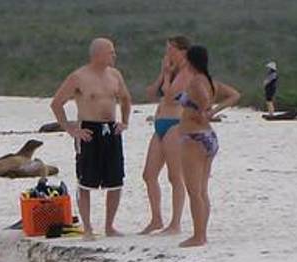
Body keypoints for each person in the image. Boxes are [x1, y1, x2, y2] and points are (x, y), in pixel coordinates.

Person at [50, 37, 132, 241]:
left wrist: (125, 121)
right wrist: (70, 129)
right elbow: (56, 103)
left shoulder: (115, 75)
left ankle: (109, 226)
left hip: (111, 129)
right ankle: (87, 228)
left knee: (115, 180)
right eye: (110, 52)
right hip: (88, 129)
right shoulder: (79, 76)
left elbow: (126, 99)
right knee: (86, 181)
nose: (114, 55)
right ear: (98, 54)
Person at [175, 46, 240, 248]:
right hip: (207, 136)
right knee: (202, 190)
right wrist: (213, 110)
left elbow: (203, 98)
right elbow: (234, 95)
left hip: (195, 137)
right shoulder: (211, 81)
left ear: (190, 61)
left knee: (194, 190)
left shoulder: (196, 82)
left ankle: (199, 235)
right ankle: (201, 233)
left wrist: (205, 110)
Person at [139, 35, 192, 235]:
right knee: (149, 174)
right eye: (167, 49)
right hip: (160, 123)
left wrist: (168, 76)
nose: (168, 53)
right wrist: (163, 73)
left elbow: (171, 95)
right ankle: (156, 219)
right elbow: (153, 92)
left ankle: (175, 223)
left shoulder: (187, 73)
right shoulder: (170, 70)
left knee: (175, 175)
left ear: (182, 51)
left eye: (171, 49)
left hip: (176, 124)